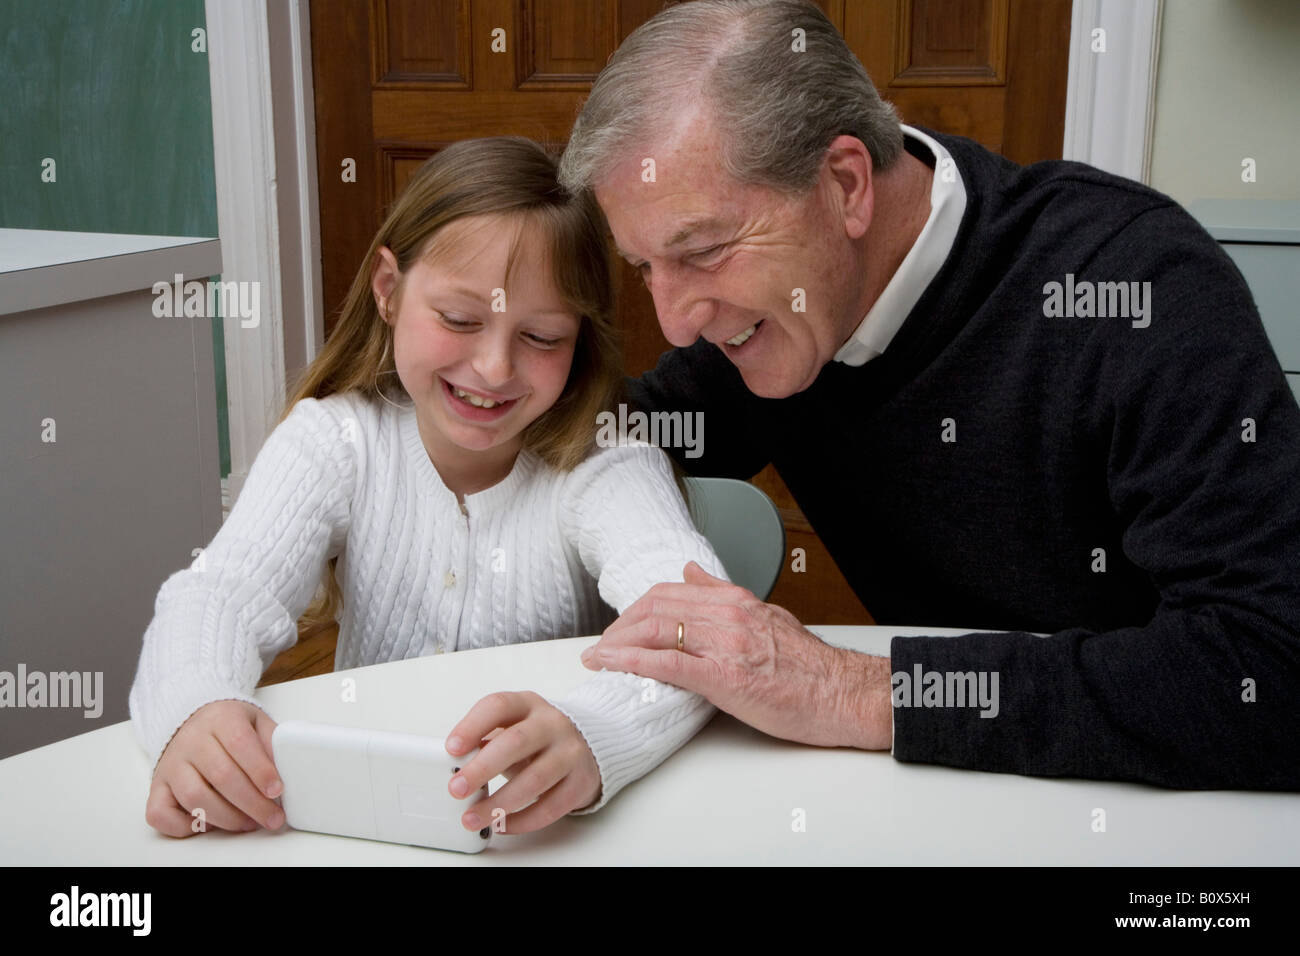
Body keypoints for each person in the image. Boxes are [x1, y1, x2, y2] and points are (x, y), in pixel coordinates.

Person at [561, 0, 1300, 788]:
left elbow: (1274, 666)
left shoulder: (1133, 289)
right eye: (646, 267)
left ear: (846, 184)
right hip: (944, 795)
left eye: (702, 250)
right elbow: (611, 435)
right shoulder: (767, 321)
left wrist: (860, 691)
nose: (676, 323)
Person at [129, 136, 731, 838]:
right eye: (460, 319)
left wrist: (590, 732)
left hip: (541, 838)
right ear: (388, 292)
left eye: (541, 337)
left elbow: (700, 632)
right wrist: (194, 710)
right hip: (357, 825)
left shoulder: (605, 458)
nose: (495, 367)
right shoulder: (335, 441)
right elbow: (216, 597)